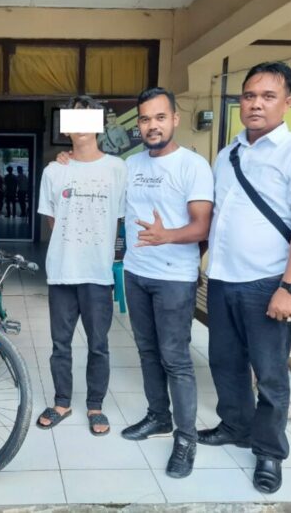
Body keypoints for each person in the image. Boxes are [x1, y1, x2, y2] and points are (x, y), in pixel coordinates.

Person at [199, 62, 291, 493]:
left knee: (270, 374)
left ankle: (269, 452)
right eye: (249, 95)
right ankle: (235, 426)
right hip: (222, 279)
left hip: (268, 283)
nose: (256, 104)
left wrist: (290, 288)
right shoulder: (228, 154)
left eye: (268, 96)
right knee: (225, 362)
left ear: (288, 102)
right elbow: (218, 215)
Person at [117, 87, 213, 479]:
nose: (151, 125)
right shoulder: (131, 164)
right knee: (146, 350)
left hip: (174, 277)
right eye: (145, 119)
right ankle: (158, 415)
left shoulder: (193, 166)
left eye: (159, 117)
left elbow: (202, 226)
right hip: (136, 272)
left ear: (174, 119)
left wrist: (166, 236)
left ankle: (186, 439)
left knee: (175, 359)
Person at [36, 95, 126, 436]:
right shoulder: (54, 170)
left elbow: (120, 219)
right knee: (60, 344)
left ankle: (95, 406)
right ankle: (62, 402)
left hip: (98, 273)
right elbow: (53, 220)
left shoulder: (117, 169)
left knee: (98, 344)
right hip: (62, 271)